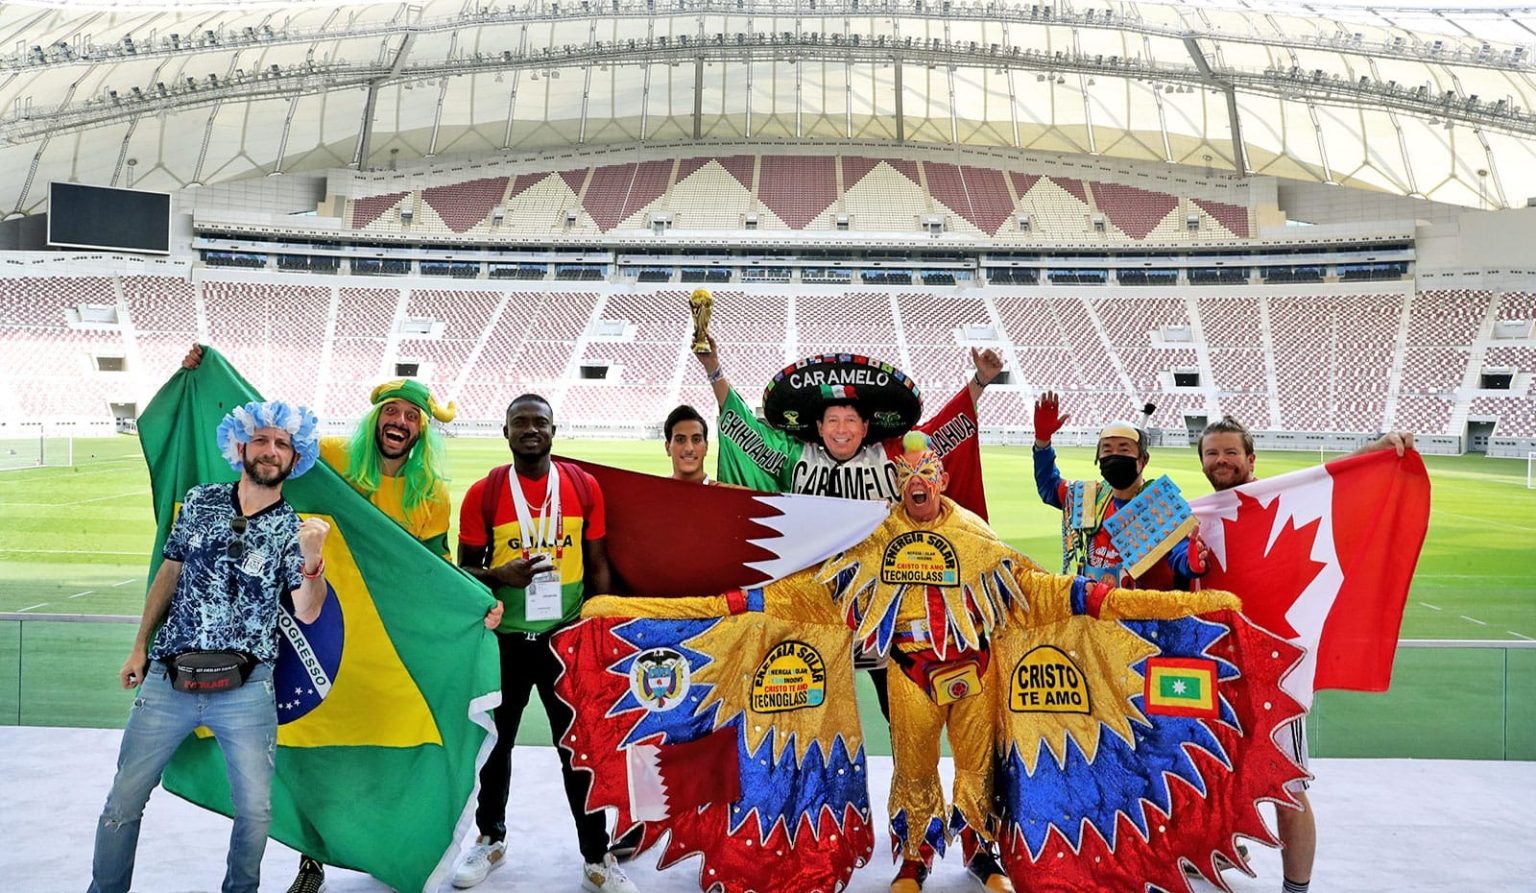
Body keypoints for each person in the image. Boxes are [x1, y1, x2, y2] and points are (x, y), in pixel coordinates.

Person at [182, 347, 503, 893]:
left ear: (422, 431)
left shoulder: (430, 494)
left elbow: (434, 569)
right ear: (375, 419)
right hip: (319, 619)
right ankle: (311, 861)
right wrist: (206, 374)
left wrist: (476, 603)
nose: (399, 421)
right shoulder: (329, 456)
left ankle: (377, 844)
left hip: (382, 642)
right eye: (391, 411)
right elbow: (265, 446)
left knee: (377, 741)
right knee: (312, 740)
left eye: (411, 416)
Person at [89, 401, 331, 893]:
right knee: (123, 800)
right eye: (261, 440)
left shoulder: (294, 528)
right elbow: (170, 571)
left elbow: (308, 610)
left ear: (296, 457)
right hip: (169, 678)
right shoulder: (201, 500)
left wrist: (312, 559)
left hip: (248, 688)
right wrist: (139, 646)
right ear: (240, 447)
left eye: (282, 444)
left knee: (255, 811)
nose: (270, 450)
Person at [1195, 417, 1414, 893]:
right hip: (1215, 675)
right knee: (1210, 779)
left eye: (1231, 452)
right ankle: (1220, 853)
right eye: (1212, 453)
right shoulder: (1198, 518)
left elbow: (1331, 482)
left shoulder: (1276, 500)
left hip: (1274, 679)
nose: (1222, 461)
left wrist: (1376, 450)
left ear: (1251, 459)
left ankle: (1296, 888)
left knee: (1287, 790)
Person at [450, 394, 637, 893]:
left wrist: (598, 626)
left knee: (579, 751)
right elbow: (465, 574)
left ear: (554, 431)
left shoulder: (582, 486)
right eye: (520, 423)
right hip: (506, 641)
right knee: (497, 747)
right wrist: (499, 574)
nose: (530, 430)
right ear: (506, 432)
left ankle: (596, 857)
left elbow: (597, 562)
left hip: (566, 640)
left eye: (540, 422)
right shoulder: (484, 493)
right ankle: (490, 839)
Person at [1031, 391, 1200, 590]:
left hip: (1143, 607)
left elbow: (1181, 552)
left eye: (1124, 449)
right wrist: (1042, 442)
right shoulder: (1089, 496)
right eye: (1107, 450)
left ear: (1143, 460)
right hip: (1094, 606)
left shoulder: (1160, 504)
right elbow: (1049, 487)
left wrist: (1191, 562)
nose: (1114, 455)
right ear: (1098, 458)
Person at [663, 404, 712, 483]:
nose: (689, 449)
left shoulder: (726, 490)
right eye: (680, 440)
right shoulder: (654, 490)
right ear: (667, 447)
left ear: (706, 447)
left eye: (696, 440)